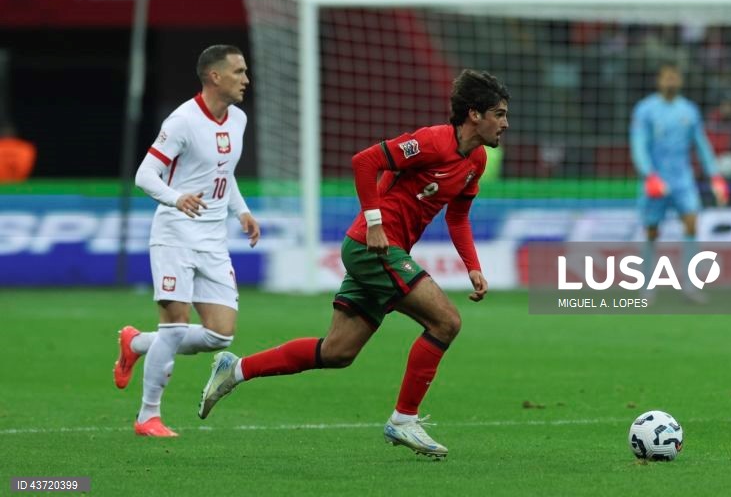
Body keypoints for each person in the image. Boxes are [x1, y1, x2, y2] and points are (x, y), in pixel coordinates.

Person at [197, 69, 509, 458]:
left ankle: (236, 369)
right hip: (371, 246)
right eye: (499, 113)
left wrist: (472, 265)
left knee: (337, 352)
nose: (505, 123)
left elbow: (458, 217)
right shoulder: (431, 142)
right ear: (474, 115)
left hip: (382, 253)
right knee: (446, 321)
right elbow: (365, 161)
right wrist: (376, 223)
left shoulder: (475, 161)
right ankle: (403, 420)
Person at [112, 45, 259, 437]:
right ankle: (148, 416)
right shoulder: (181, 121)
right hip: (175, 233)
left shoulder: (239, 119)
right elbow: (145, 175)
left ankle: (137, 343)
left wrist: (240, 210)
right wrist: (177, 197)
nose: (246, 79)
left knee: (220, 334)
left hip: (212, 239)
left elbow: (223, 174)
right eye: (239, 71)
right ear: (215, 77)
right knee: (175, 326)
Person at [630, 62, 728, 300]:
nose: (671, 81)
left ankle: (690, 284)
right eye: (667, 77)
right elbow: (638, 143)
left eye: (675, 77)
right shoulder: (645, 109)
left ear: (680, 81)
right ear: (659, 80)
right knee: (652, 231)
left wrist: (714, 175)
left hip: (683, 178)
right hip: (656, 178)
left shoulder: (689, 110)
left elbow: (701, 144)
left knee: (692, 222)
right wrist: (648, 174)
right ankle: (646, 285)